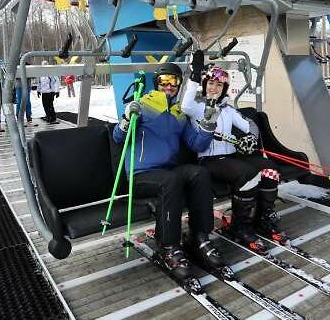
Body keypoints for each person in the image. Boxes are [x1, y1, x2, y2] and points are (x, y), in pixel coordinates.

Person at [112, 63, 224, 281]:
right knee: (171, 180)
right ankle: (168, 245)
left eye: (174, 81)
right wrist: (127, 118)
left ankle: (199, 236)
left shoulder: (178, 113)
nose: (169, 86)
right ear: (157, 83)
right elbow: (118, 137)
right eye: (164, 81)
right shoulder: (142, 106)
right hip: (141, 175)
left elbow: (197, 144)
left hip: (167, 173)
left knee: (198, 174)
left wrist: (209, 122)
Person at [181, 51, 286, 253]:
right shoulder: (196, 107)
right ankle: (240, 225)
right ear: (204, 86)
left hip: (230, 157)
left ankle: (262, 218)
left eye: (219, 85)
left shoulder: (228, 110)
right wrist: (194, 75)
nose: (214, 88)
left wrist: (251, 138)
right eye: (210, 83)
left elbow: (250, 126)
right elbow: (184, 104)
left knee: (270, 169)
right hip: (209, 160)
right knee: (247, 174)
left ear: (224, 89)